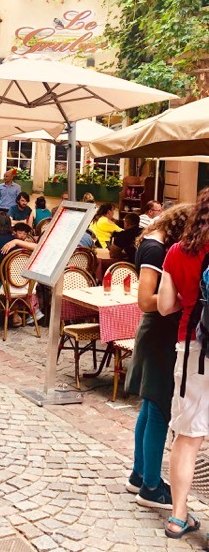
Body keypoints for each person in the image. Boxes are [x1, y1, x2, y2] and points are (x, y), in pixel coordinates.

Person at [125, 204, 192, 509]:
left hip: (155, 334)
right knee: (159, 410)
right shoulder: (156, 250)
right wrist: (182, 298)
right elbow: (145, 300)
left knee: (149, 407)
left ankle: (140, 474)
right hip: (160, 334)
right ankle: (151, 486)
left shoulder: (152, 242)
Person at [158, 188, 209, 541]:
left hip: (193, 348)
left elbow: (163, 306)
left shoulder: (177, 252)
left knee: (187, 438)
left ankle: (178, 517)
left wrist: (189, 299)